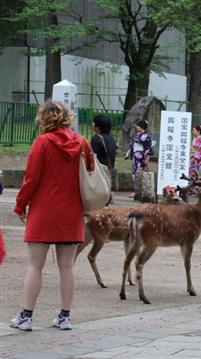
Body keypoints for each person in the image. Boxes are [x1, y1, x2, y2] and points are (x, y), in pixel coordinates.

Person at [11, 100, 93, 331]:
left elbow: (31, 179)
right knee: (66, 266)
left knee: (35, 265)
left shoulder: (42, 143)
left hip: (44, 210)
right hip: (71, 210)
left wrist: (20, 206)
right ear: (67, 117)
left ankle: (26, 317)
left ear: (43, 119)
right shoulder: (82, 142)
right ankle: (65, 316)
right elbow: (89, 172)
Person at [124, 119, 153, 197]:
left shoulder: (146, 136)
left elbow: (148, 148)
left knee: (140, 173)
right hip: (135, 157)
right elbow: (132, 145)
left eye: (138, 126)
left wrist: (147, 158)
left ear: (141, 126)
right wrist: (128, 153)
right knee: (134, 173)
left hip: (142, 157)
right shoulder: (137, 135)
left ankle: (139, 191)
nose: (136, 127)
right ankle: (136, 191)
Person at [91, 115, 117, 195]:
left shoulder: (96, 138)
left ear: (98, 127)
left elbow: (93, 155)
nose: (92, 124)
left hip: (99, 168)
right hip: (109, 168)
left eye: (93, 123)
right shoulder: (112, 138)